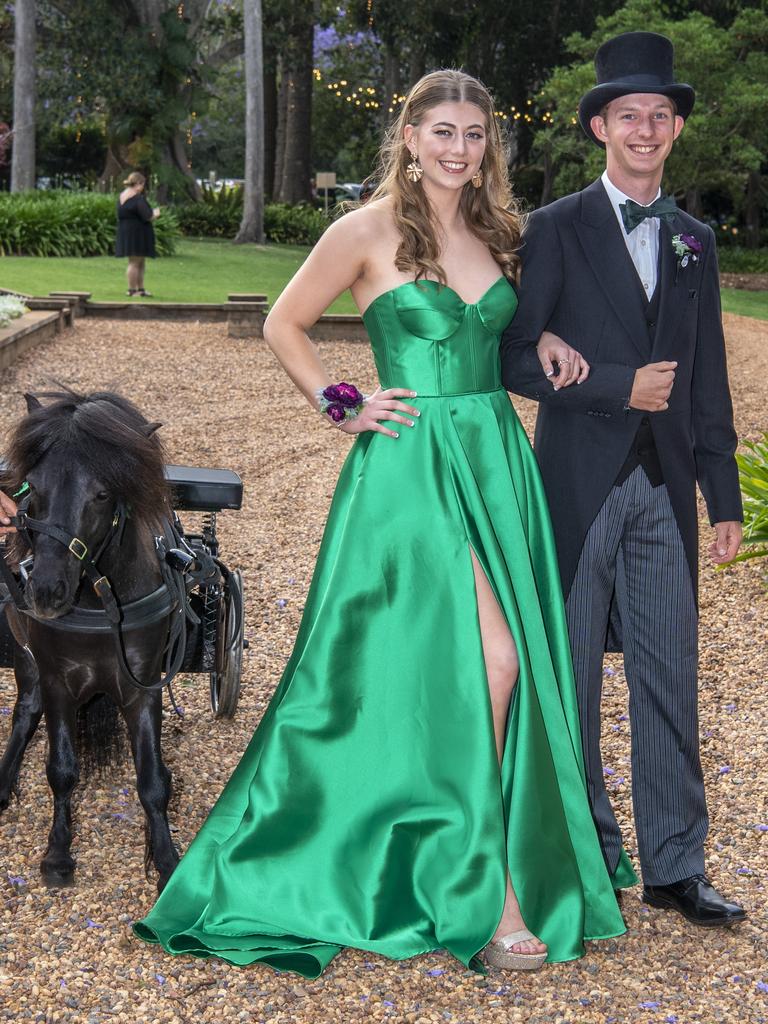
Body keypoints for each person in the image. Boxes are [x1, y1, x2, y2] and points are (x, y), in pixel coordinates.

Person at [134, 69, 628, 978]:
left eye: (474, 134)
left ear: (489, 146)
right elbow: (287, 322)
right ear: (408, 136)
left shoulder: (496, 231)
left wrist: (545, 342)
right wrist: (343, 402)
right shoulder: (360, 231)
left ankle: (467, 856)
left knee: (474, 666)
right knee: (492, 660)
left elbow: (506, 340)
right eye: (441, 131)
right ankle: (492, 892)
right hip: (407, 470)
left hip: (493, 459)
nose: (458, 149)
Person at [500, 32, 745, 927]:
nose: (646, 129)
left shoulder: (694, 241)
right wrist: (613, 385)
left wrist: (723, 497)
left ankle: (675, 866)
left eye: (661, 116)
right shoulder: (554, 227)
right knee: (569, 680)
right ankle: (588, 852)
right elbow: (515, 358)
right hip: (574, 485)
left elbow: (708, 373)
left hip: (665, 491)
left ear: (675, 130)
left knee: (667, 675)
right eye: (628, 114)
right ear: (601, 126)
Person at [115, 171, 159, 298]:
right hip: (137, 233)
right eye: (143, 184)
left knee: (139, 262)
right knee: (134, 262)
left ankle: (140, 289)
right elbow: (147, 216)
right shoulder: (137, 198)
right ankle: (132, 290)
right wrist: (156, 213)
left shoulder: (122, 196)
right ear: (139, 183)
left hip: (126, 231)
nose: (143, 188)